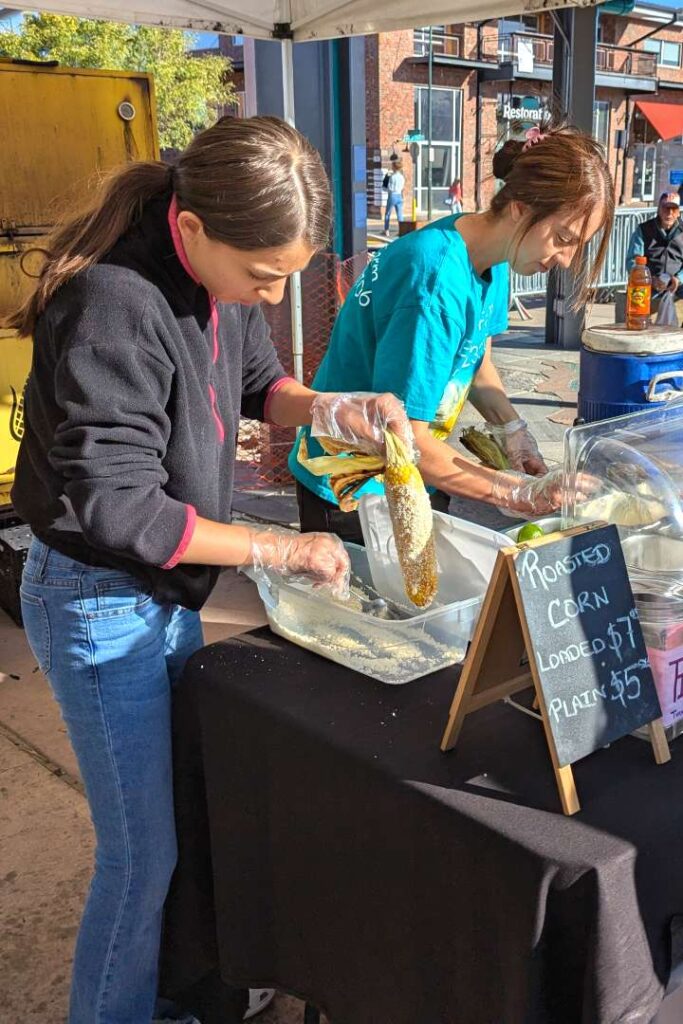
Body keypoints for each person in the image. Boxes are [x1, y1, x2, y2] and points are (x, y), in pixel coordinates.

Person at [9, 115, 412, 1024]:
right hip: (97, 602)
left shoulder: (214, 279)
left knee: (181, 827)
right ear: (192, 228)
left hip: (164, 595)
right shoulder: (110, 305)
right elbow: (122, 508)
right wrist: (277, 547)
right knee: (138, 854)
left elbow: (261, 385)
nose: (269, 292)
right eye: (263, 275)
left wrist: (334, 409)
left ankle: (169, 998)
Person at [290, 124, 615, 543]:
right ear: (520, 206)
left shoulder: (493, 258)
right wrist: (518, 492)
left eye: (577, 245)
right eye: (562, 238)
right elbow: (405, 438)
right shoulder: (433, 281)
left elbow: (476, 362)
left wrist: (513, 431)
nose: (566, 260)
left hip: (415, 476)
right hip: (354, 484)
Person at [626, 191, 683, 301]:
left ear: (679, 212)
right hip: (649, 283)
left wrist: (678, 279)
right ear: (659, 209)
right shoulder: (643, 230)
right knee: (637, 293)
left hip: (678, 285)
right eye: (666, 208)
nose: (669, 213)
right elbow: (632, 261)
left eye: (674, 209)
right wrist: (650, 279)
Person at [383, 157, 405, 237]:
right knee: (400, 214)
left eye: (392, 166)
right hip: (399, 195)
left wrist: (386, 179)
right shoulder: (402, 177)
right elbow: (402, 187)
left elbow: (389, 188)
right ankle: (402, 231)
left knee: (387, 214)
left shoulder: (392, 177)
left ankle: (386, 230)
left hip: (392, 195)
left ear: (394, 167)